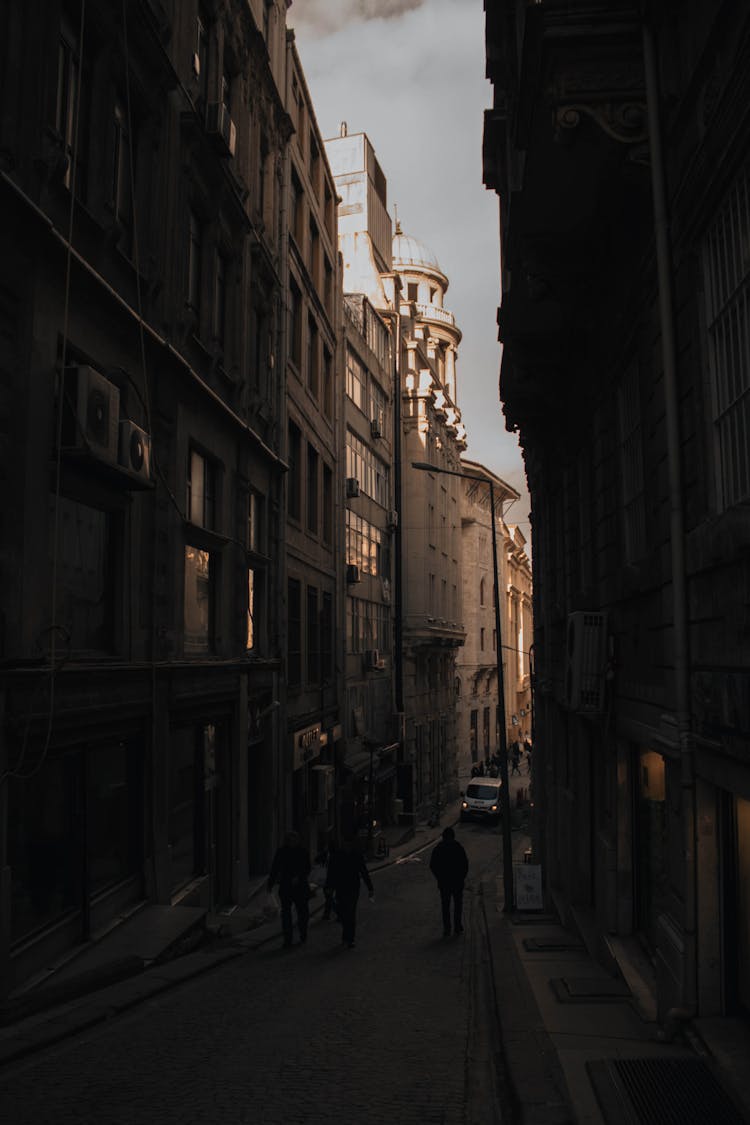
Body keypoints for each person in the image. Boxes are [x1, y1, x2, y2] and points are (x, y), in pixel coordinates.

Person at [325, 836, 373, 948]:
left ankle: (349, 939)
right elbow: (331, 872)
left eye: (348, 843)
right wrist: (329, 887)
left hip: (353, 888)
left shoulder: (356, 855)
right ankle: (347, 936)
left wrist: (370, 887)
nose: (346, 845)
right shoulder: (336, 855)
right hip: (340, 888)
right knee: (343, 912)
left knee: (350, 913)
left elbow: (364, 871)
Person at [267, 831, 311, 948]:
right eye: (290, 840)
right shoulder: (282, 852)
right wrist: (270, 884)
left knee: (303, 913)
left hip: (300, 887)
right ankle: (288, 939)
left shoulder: (303, 852)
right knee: (286, 914)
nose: (292, 842)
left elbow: (307, 868)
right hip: (286, 886)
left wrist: (299, 877)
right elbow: (275, 868)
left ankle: (303, 933)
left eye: (294, 840)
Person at [430, 826, 469, 936]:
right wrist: (461, 877)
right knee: (458, 905)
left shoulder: (439, 848)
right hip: (457, 882)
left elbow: (433, 865)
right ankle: (457, 926)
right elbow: (465, 865)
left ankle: (447, 929)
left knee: (445, 906)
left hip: (444, 883)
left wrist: (439, 877)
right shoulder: (458, 847)